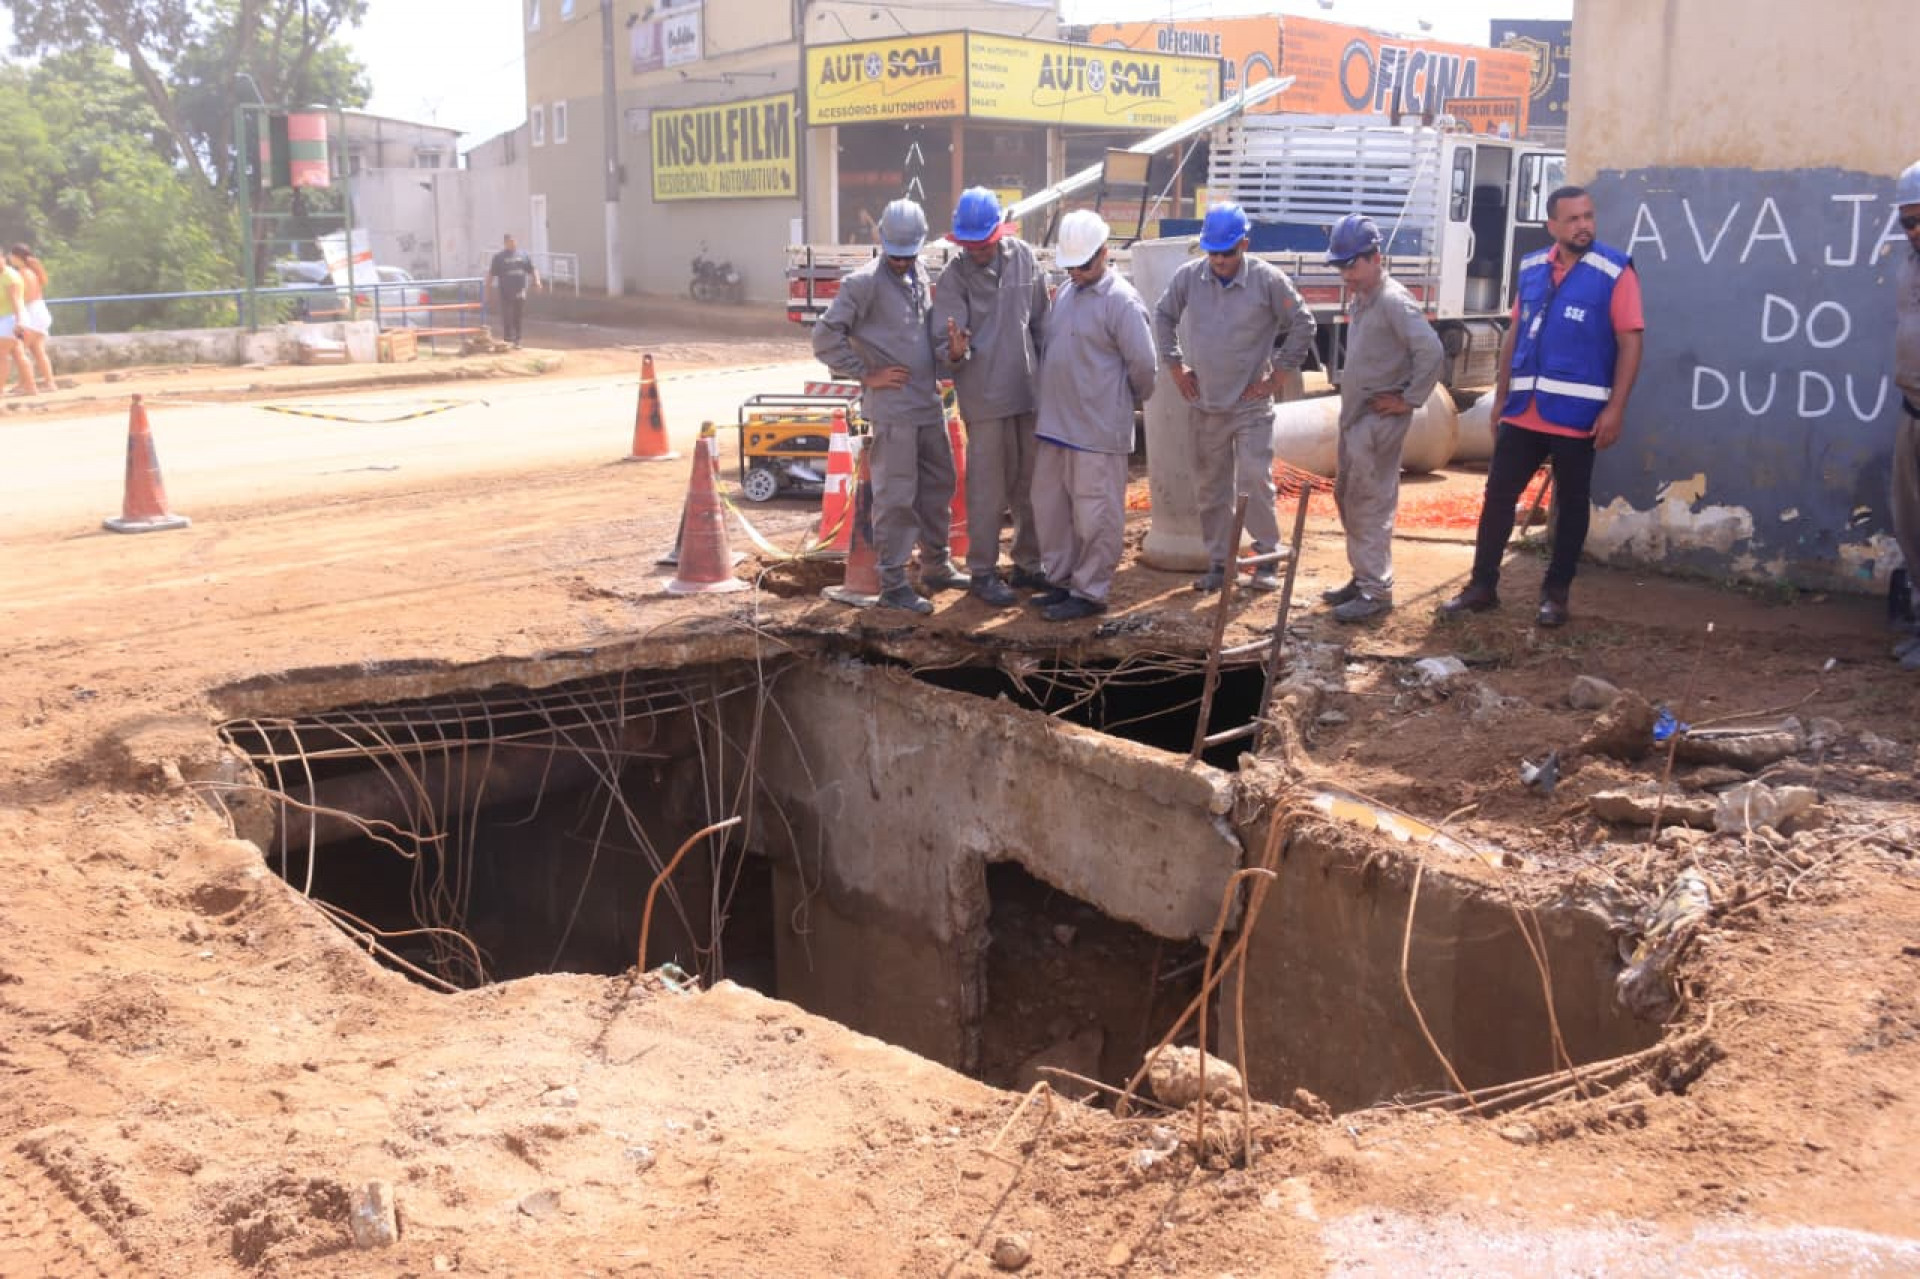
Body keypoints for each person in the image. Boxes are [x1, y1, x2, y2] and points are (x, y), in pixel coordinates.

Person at [1439, 185, 1644, 627]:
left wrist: (1616, 408)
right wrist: (1500, 394)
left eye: (1588, 216)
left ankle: (1556, 595)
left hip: (1578, 416)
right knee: (1497, 497)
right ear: (1552, 226)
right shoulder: (1532, 267)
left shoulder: (1615, 271)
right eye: (1572, 219)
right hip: (1523, 410)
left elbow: (1631, 342)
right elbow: (1516, 333)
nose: (1583, 225)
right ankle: (1482, 586)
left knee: (1570, 505)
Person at [1152, 201, 1316, 593]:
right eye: (1212, 252)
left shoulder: (1267, 281)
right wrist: (1175, 366)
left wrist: (1277, 375)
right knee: (1211, 487)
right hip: (1205, 403)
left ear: (1244, 244)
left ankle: (1265, 559)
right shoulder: (1190, 277)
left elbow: (1303, 323)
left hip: (1250, 404)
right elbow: (1163, 315)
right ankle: (1220, 564)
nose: (1219, 261)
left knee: (1255, 480)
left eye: (1226, 252)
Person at [812, 198, 965, 615]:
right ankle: (894, 582)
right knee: (896, 497)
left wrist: (951, 354)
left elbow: (927, 338)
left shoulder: (919, 272)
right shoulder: (862, 284)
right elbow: (824, 338)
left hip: (928, 405)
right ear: (881, 239)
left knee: (939, 485)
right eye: (896, 255)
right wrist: (866, 374)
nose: (902, 262)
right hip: (894, 412)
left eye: (908, 254)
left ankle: (937, 563)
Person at [1030, 210, 1159, 622]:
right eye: (1072, 267)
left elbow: (1144, 367)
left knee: (1095, 514)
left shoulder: (1121, 301)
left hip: (1096, 430)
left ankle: (1090, 590)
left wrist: (1118, 404)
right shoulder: (1067, 293)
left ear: (1104, 254)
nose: (1078, 273)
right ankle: (1063, 579)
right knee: (1051, 510)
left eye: (1085, 265)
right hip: (1056, 426)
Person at [1320, 214, 1445, 623]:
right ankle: (1364, 577)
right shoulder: (1365, 297)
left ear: (1376, 258)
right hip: (1359, 418)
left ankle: (1375, 591)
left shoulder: (1392, 300)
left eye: (1352, 265)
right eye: (1341, 267)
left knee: (1369, 501)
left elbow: (1431, 351)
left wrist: (1408, 400)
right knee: (1350, 497)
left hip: (1377, 420)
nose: (1346, 275)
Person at [931, 188, 1052, 608]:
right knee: (988, 488)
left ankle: (1028, 563)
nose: (978, 251)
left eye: (984, 243)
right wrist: (956, 351)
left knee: (1031, 484)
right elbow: (944, 347)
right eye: (970, 245)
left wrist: (1049, 377)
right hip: (984, 398)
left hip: (1028, 391)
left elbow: (1041, 323)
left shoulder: (1023, 258)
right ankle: (983, 570)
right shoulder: (954, 279)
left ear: (998, 235)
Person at [1890, 160, 1920, 670]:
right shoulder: (1909, 264)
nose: (1914, 231)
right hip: (1912, 409)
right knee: (1910, 523)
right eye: (1907, 222)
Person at [7, 244, 52, 390]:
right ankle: (49, 383)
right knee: (37, 350)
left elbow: (27, 296)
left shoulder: (22, 274)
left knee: (18, 351)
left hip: (33, 314)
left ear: (16, 257)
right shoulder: (31, 272)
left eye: (11, 255)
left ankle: (25, 384)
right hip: (40, 312)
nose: (9, 258)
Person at [484, 233, 541, 348]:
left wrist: (537, 281)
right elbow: (491, 274)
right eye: (510, 241)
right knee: (507, 316)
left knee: (517, 316)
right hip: (505, 292)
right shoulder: (499, 257)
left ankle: (517, 340)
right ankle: (507, 340)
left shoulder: (523, 255)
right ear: (505, 243)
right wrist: (487, 291)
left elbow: (532, 269)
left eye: (514, 241)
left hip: (520, 291)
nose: (513, 243)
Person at [0, 253, 36, 397]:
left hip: (11, 318)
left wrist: (19, 321)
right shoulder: (4, 275)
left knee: (1, 355)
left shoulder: (10, 277)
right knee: (18, 354)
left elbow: (16, 301)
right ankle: (31, 387)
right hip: (8, 318)